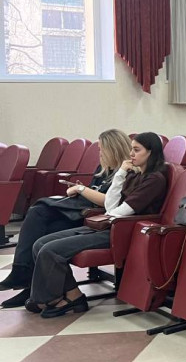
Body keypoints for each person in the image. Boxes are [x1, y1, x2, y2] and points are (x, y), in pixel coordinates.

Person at [28, 132, 169, 318]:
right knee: (39, 244)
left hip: (122, 231)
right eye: (131, 149)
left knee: (50, 250)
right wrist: (120, 173)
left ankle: (49, 298)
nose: (131, 154)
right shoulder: (134, 175)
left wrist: (108, 215)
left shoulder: (155, 179)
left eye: (136, 150)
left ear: (151, 152)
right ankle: (72, 294)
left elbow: (123, 211)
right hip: (108, 224)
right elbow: (110, 205)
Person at [0, 129, 132, 308]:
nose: (100, 153)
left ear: (113, 149)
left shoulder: (125, 172)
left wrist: (81, 190)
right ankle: (29, 283)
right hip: (84, 210)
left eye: (102, 149)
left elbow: (107, 202)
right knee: (38, 221)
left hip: (93, 218)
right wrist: (82, 190)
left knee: (39, 216)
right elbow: (94, 191)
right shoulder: (103, 168)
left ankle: (23, 274)